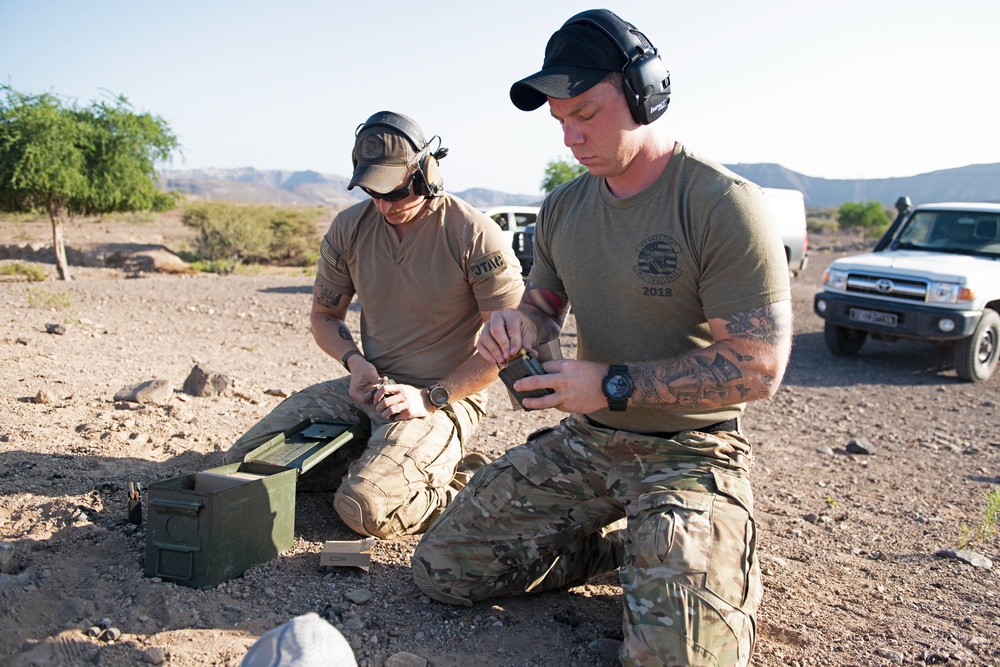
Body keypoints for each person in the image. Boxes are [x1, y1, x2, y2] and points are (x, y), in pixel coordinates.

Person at [411, 9, 792, 666]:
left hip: (691, 450)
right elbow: (543, 308)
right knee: (441, 570)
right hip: (589, 443)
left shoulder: (721, 202)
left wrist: (612, 381)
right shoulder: (564, 207)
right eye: (560, 120)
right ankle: (629, 550)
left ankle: (695, 560)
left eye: (585, 113)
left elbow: (758, 366)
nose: (570, 137)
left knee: (677, 658)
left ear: (645, 92)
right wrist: (516, 325)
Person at [224, 111, 524, 539]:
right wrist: (355, 363)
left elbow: (507, 348)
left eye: (396, 192)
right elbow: (324, 316)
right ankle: (378, 457)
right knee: (239, 468)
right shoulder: (349, 228)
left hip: (443, 397)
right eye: (372, 192)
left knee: (364, 508)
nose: (384, 205)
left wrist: (431, 397)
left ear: (426, 174)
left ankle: (464, 483)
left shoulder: (472, 233)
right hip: (374, 388)